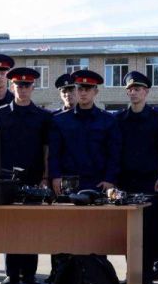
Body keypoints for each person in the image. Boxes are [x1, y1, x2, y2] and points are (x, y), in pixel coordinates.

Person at [0, 67, 52, 284]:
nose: (23, 89)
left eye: (27, 85)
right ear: (12, 87)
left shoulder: (43, 117)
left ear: (33, 88)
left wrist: (45, 176)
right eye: (19, 85)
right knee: (11, 226)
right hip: (6, 179)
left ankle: (29, 273)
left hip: (34, 177)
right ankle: (11, 273)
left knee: (31, 227)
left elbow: (47, 148)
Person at [115, 71, 158, 284]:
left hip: (149, 181)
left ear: (146, 92)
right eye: (130, 89)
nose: (134, 92)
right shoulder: (119, 118)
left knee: (148, 230)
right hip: (126, 181)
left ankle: (146, 275)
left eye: (138, 89)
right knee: (129, 231)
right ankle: (132, 274)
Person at [48, 68, 121, 197]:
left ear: (96, 92)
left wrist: (110, 179)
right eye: (80, 89)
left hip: (98, 182)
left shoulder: (108, 120)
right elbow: (54, 153)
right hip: (68, 182)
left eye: (87, 89)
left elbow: (114, 154)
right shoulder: (60, 120)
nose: (83, 93)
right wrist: (55, 176)